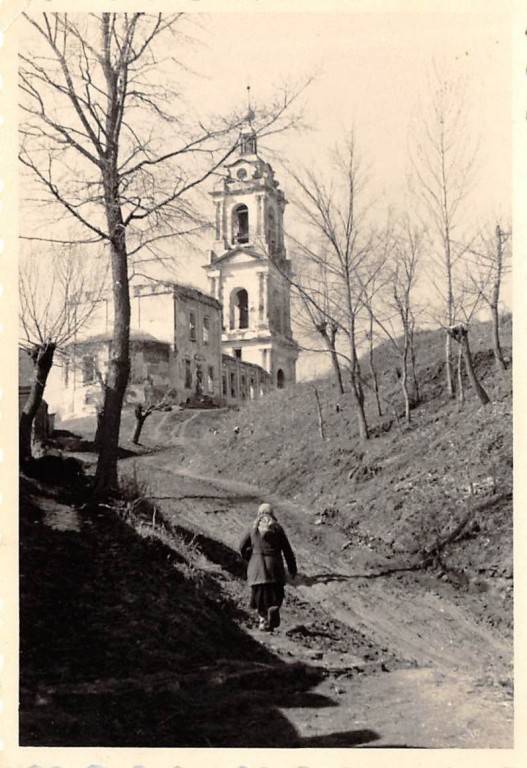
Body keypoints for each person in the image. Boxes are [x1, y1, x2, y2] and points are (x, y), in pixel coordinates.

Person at [239, 503, 297, 632]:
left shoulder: (252, 528)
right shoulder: (277, 528)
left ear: (259, 513)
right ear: (272, 514)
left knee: (259, 594)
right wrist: (292, 568)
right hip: (275, 567)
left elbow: (242, 546)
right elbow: (287, 550)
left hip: (257, 567)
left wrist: (250, 555)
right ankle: (273, 607)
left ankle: (263, 621)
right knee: (276, 593)